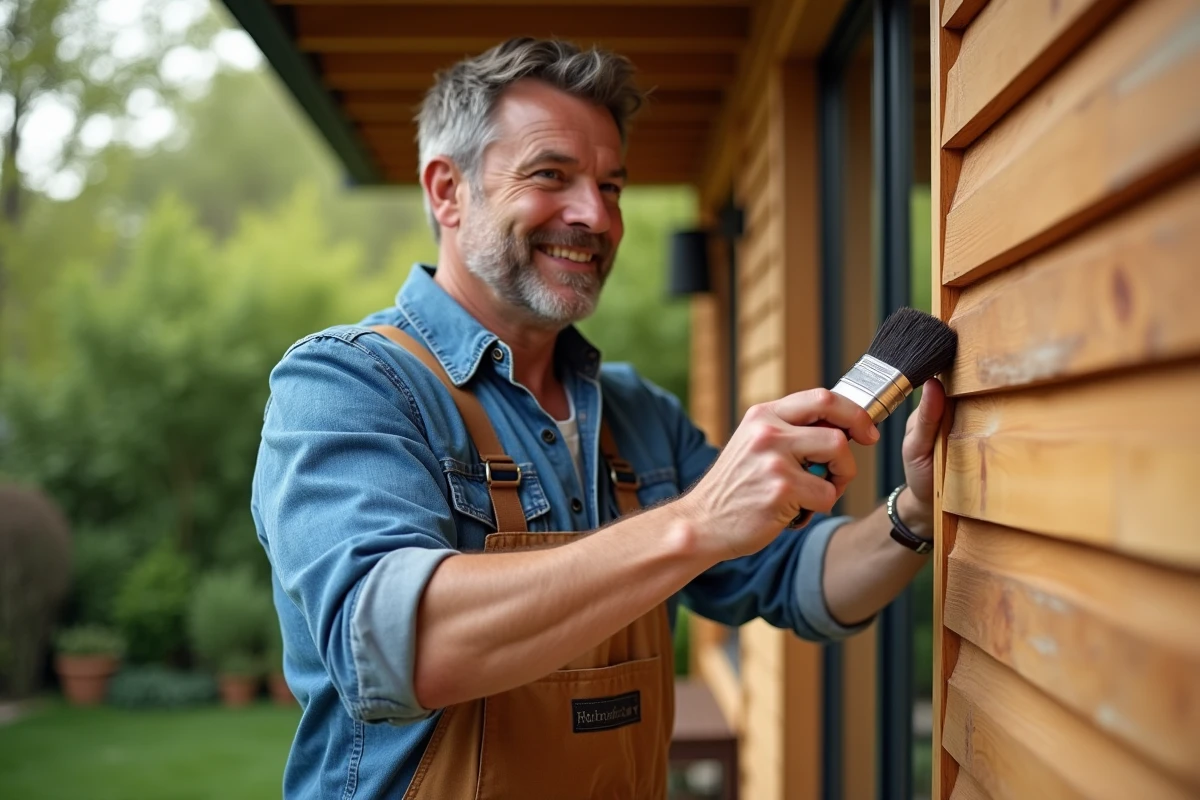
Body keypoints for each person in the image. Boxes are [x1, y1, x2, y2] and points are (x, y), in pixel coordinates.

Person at [251, 36, 946, 800]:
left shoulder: (639, 415)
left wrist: (912, 511)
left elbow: (801, 580)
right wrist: (695, 523)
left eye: (611, 186)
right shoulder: (348, 382)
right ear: (448, 191)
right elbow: (399, 648)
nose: (596, 215)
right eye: (553, 176)